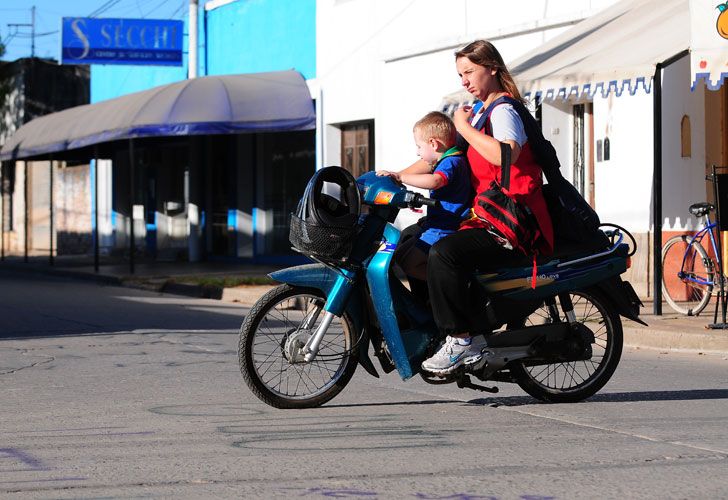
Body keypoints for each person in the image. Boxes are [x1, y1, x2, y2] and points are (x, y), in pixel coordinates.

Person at [419, 40, 555, 375]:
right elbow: (442, 159)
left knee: (443, 253)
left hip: (514, 223)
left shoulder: (503, 111)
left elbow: (504, 155)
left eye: (469, 71)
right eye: (460, 74)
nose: (463, 81)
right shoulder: (480, 113)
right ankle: (449, 328)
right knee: (417, 242)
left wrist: (462, 126)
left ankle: (462, 339)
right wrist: (388, 177)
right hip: (488, 218)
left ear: (492, 68)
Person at [377, 111, 472, 283]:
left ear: (433, 144)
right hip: (434, 225)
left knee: (409, 264)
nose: (417, 153)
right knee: (398, 256)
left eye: (419, 147)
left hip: (443, 229)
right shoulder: (450, 159)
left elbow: (436, 181)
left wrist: (400, 177)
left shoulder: (451, 162)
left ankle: (454, 284)